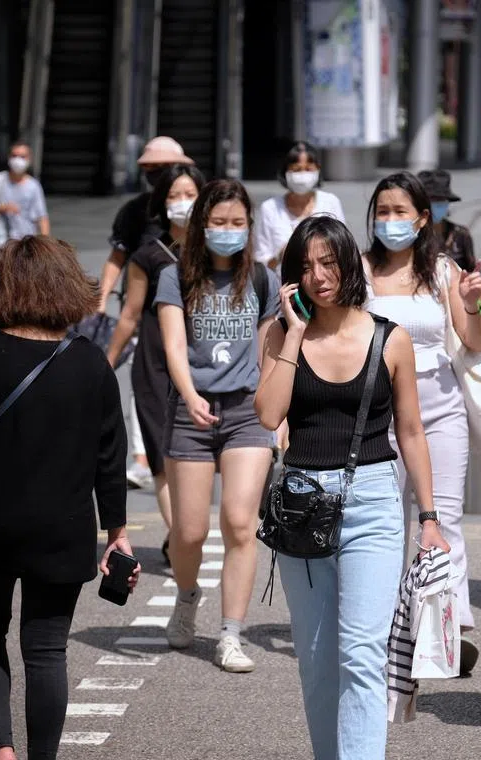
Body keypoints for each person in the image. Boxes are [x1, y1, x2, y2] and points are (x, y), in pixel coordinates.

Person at [0, 235, 136, 760]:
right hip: (63, 528)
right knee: (46, 651)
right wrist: (117, 533)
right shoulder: (89, 364)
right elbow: (111, 458)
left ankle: (0, 749)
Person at [256, 215, 450, 760]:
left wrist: (430, 519)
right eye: (307, 265)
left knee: (361, 653)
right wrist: (293, 334)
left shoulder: (391, 339)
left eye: (330, 262)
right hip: (300, 505)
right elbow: (270, 415)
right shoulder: (279, 334)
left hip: (371, 501)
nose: (319, 276)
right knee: (316, 657)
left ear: (349, 265)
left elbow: (411, 432)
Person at [363, 171, 481, 674]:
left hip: (440, 408)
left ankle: (447, 632)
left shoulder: (442, 271)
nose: (390, 221)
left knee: (443, 521)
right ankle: (385, 629)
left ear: (422, 218)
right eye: (382, 211)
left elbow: (475, 340)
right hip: (376, 413)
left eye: (400, 212)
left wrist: (473, 303)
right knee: (385, 525)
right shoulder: (358, 269)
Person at [155, 178, 278, 673]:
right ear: (201, 224)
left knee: (240, 522)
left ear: (249, 227)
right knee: (188, 531)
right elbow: (172, 346)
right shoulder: (175, 276)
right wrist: (189, 395)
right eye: (218, 222)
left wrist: (275, 412)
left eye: (237, 223)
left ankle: (230, 634)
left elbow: (269, 349)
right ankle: (187, 596)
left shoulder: (263, 280)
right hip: (191, 411)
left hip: (246, 411)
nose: (228, 231)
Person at [106, 164, 206, 567]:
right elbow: (130, 314)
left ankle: (186, 536)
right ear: (161, 205)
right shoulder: (148, 256)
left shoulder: (218, 253)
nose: (183, 204)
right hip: (153, 363)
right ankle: (181, 538)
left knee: (196, 457)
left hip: (205, 362)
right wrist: (105, 362)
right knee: (163, 459)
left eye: (190, 194)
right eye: (174, 196)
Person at [96, 136, 195, 313]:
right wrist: (101, 300)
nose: (157, 173)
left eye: (164, 167)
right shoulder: (135, 210)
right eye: (150, 167)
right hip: (142, 302)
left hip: (191, 301)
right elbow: (117, 256)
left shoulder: (201, 209)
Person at [253, 140, 345, 268]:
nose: (302, 175)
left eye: (308, 169)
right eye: (296, 170)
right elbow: (261, 263)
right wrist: (281, 255)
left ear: (318, 170)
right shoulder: (269, 208)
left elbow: (343, 249)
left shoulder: (330, 202)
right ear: (285, 172)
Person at [0, 142, 49, 241]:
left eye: (22, 157)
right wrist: (3, 207)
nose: (18, 160)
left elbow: (42, 217)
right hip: (0, 239)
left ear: (29, 159)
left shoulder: (33, 186)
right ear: (9, 157)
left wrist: (45, 244)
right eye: (14, 156)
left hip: (25, 241)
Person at [418, 169, 476, 271]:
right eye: (431, 200)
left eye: (440, 200)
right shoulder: (414, 235)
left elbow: (471, 270)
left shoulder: (461, 234)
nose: (435, 205)